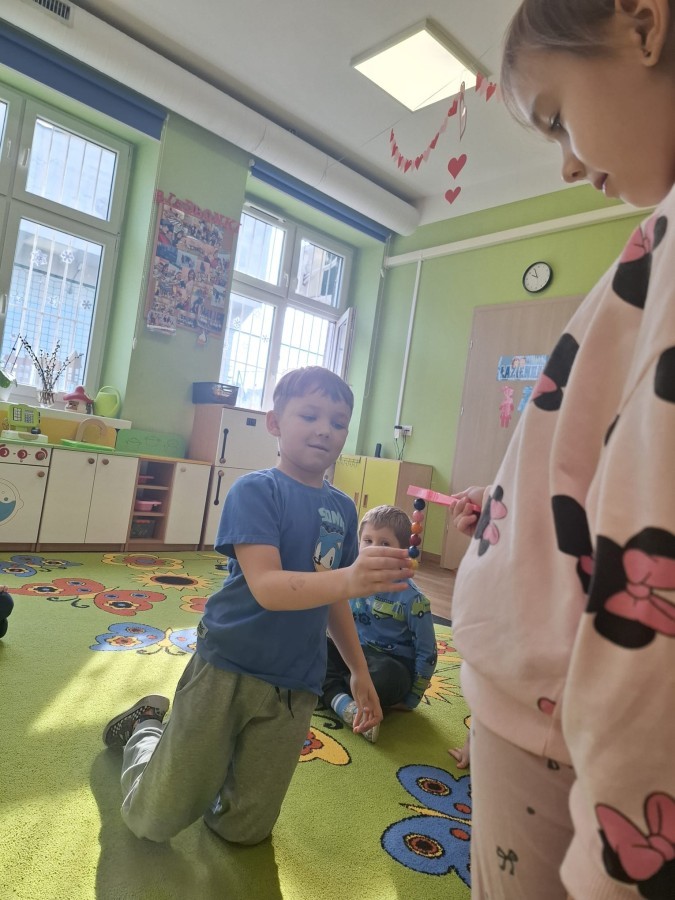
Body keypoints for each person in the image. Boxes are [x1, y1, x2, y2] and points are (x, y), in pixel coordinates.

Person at [450, 1, 675, 897]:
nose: (570, 164)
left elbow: (651, 569)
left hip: (553, 712)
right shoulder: (655, 240)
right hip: (539, 692)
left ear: (642, 25)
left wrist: (616, 854)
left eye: (554, 118)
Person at [102, 366, 413, 845]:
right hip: (229, 664)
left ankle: (214, 768)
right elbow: (268, 586)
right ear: (275, 423)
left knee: (243, 831)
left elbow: (333, 597)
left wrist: (358, 670)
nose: (325, 429)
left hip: (295, 682)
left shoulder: (343, 509)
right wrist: (350, 578)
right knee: (151, 820)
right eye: (309, 415)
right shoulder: (256, 490)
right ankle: (146, 726)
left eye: (338, 422)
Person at [321, 504, 438, 743]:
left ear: (402, 552)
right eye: (368, 541)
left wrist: (410, 700)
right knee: (312, 647)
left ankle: (331, 689)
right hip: (354, 657)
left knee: (385, 678)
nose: (374, 549)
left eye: (384, 543)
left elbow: (427, 653)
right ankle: (343, 702)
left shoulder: (413, 600)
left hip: (389, 666)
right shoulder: (351, 583)